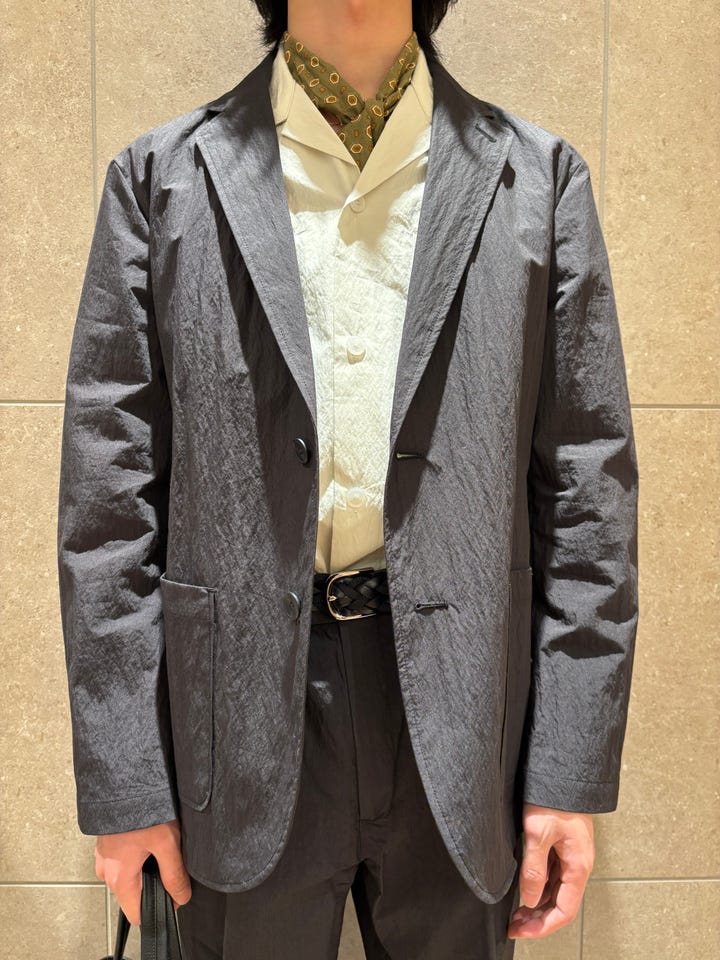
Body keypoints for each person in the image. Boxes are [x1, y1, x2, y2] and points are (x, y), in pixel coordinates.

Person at [56, 1, 639, 957]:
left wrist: (567, 774)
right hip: (234, 731)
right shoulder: (161, 181)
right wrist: (127, 788)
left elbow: (590, 501)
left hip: (468, 729)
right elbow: (107, 516)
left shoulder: (538, 182)